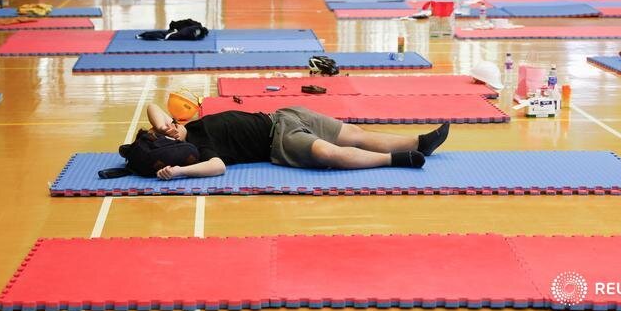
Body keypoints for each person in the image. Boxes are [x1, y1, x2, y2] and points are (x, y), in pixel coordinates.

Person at [144, 103, 450, 180]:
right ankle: (395, 159)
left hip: (286, 115)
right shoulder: (201, 150)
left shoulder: (187, 126)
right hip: (280, 142)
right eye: (169, 133)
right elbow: (218, 167)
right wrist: (180, 172)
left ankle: (420, 142)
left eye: (172, 125)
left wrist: (163, 126)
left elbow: (153, 107)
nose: (173, 127)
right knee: (330, 153)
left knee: (356, 134)